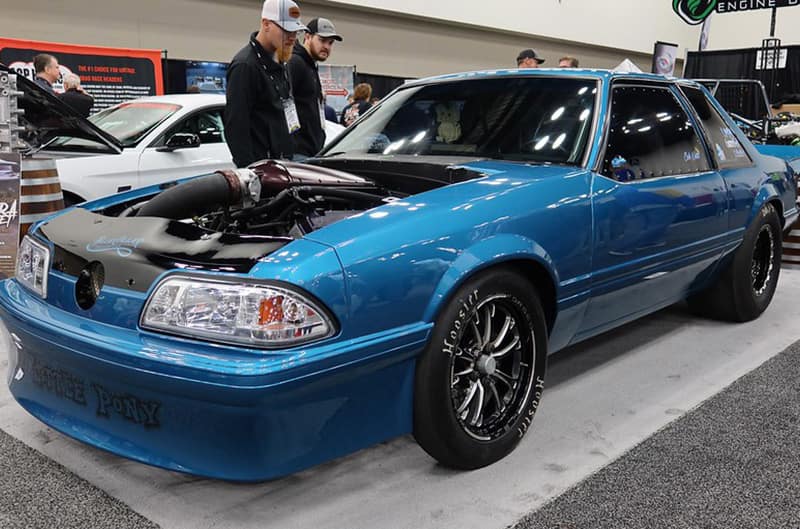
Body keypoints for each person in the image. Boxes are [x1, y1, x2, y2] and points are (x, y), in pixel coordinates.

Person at [224, 0, 307, 168]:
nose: (292, 37)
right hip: (261, 170)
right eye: (286, 30)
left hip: (283, 163)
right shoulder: (245, 66)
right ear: (266, 24)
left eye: (296, 31)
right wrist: (250, 173)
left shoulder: (282, 60)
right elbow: (236, 127)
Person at [287, 17, 342, 157]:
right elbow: (283, 104)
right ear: (307, 36)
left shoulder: (310, 66)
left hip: (310, 152)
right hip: (298, 152)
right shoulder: (296, 63)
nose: (327, 47)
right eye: (322, 40)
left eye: (330, 43)